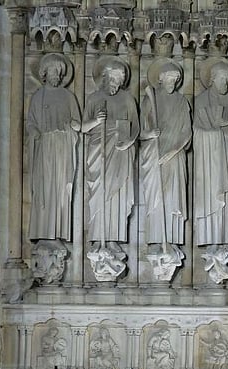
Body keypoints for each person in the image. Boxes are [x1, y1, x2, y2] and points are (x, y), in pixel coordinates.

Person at [194, 59, 228, 282]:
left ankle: (225, 241)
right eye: (222, 78)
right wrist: (215, 132)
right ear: (212, 78)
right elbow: (196, 131)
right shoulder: (201, 100)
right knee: (210, 198)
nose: (225, 82)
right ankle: (212, 241)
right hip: (210, 159)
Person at [82, 57, 139, 247]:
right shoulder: (94, 98)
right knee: (99, 192)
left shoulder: (128, 99)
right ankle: (98, 238)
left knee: (118, 195)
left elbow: (136, 128)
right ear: (104, 77)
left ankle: (114, 239)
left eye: (119, 80)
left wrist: (128, 141)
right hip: (98, 151)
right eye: (113, 79)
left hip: (121, 153)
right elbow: (83, 127)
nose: (116, 84)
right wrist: (97, 121)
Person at [27, 53, 81, 245]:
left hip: (63, 147)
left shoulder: (68, 96)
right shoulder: (38, 96)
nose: (56, 75)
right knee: (44, 188)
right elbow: (31, 122)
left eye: (58, 72)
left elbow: (77, 123)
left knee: (61, 189)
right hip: (45, 148)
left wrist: (72, 126)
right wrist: (34, 132)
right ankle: (44, 233)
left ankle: (58, 233)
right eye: (52, 71)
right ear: (44, 73)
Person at [139, 60, 191, 255]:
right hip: (154, 154)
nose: (173, 82)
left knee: (173, 198)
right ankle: (156, 240)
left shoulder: (181, 101)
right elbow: (140, 132)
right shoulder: (149, 100)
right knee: (156, 196)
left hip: (175, 156)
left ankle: (173, 240)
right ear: (160, 79)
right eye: (169, 78)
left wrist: (173, 150)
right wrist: (149, 134)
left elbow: (187, 132)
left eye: (176, 79)